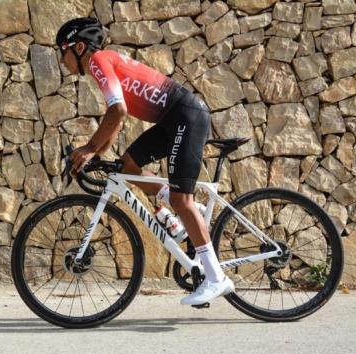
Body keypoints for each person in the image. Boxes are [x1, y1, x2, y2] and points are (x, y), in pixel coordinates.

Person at [56, 17, 234, 305]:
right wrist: (98, 156)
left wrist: (90, 147)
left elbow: (118, 111)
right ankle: (192, 209)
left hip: (184, 118)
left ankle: (216, 278)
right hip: (172, 120)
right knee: (128, 166)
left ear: (78, 47)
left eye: (62, 51)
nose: (61, 60)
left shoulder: (99, 60)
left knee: (181, 202)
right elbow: (114, 120)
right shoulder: (103, 62)